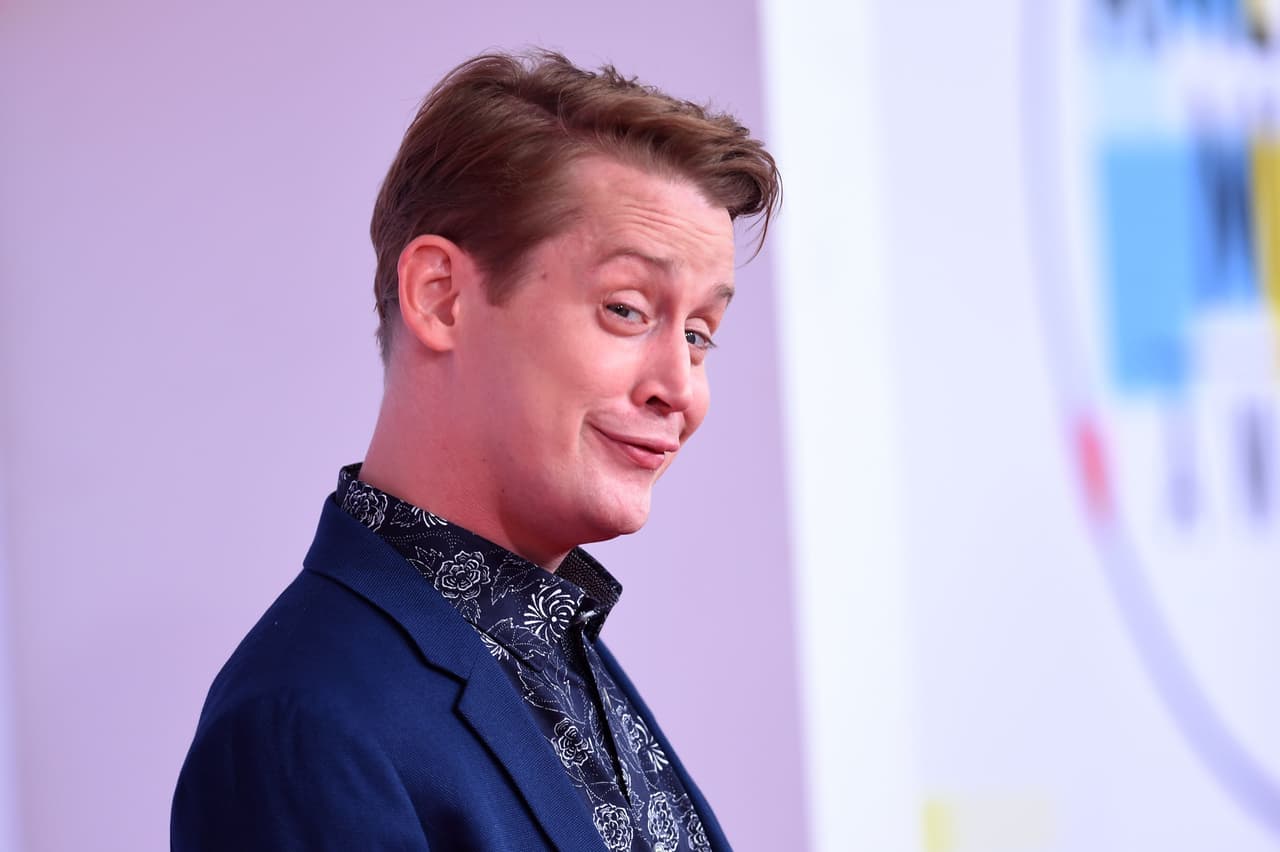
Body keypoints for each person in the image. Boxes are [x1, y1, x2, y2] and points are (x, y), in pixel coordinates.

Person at [171, 49, 779, 851]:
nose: (683, 389)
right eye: (628, 310)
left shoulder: (556, 652)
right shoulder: (301, 729)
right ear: (441, 297)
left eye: (700, 335)